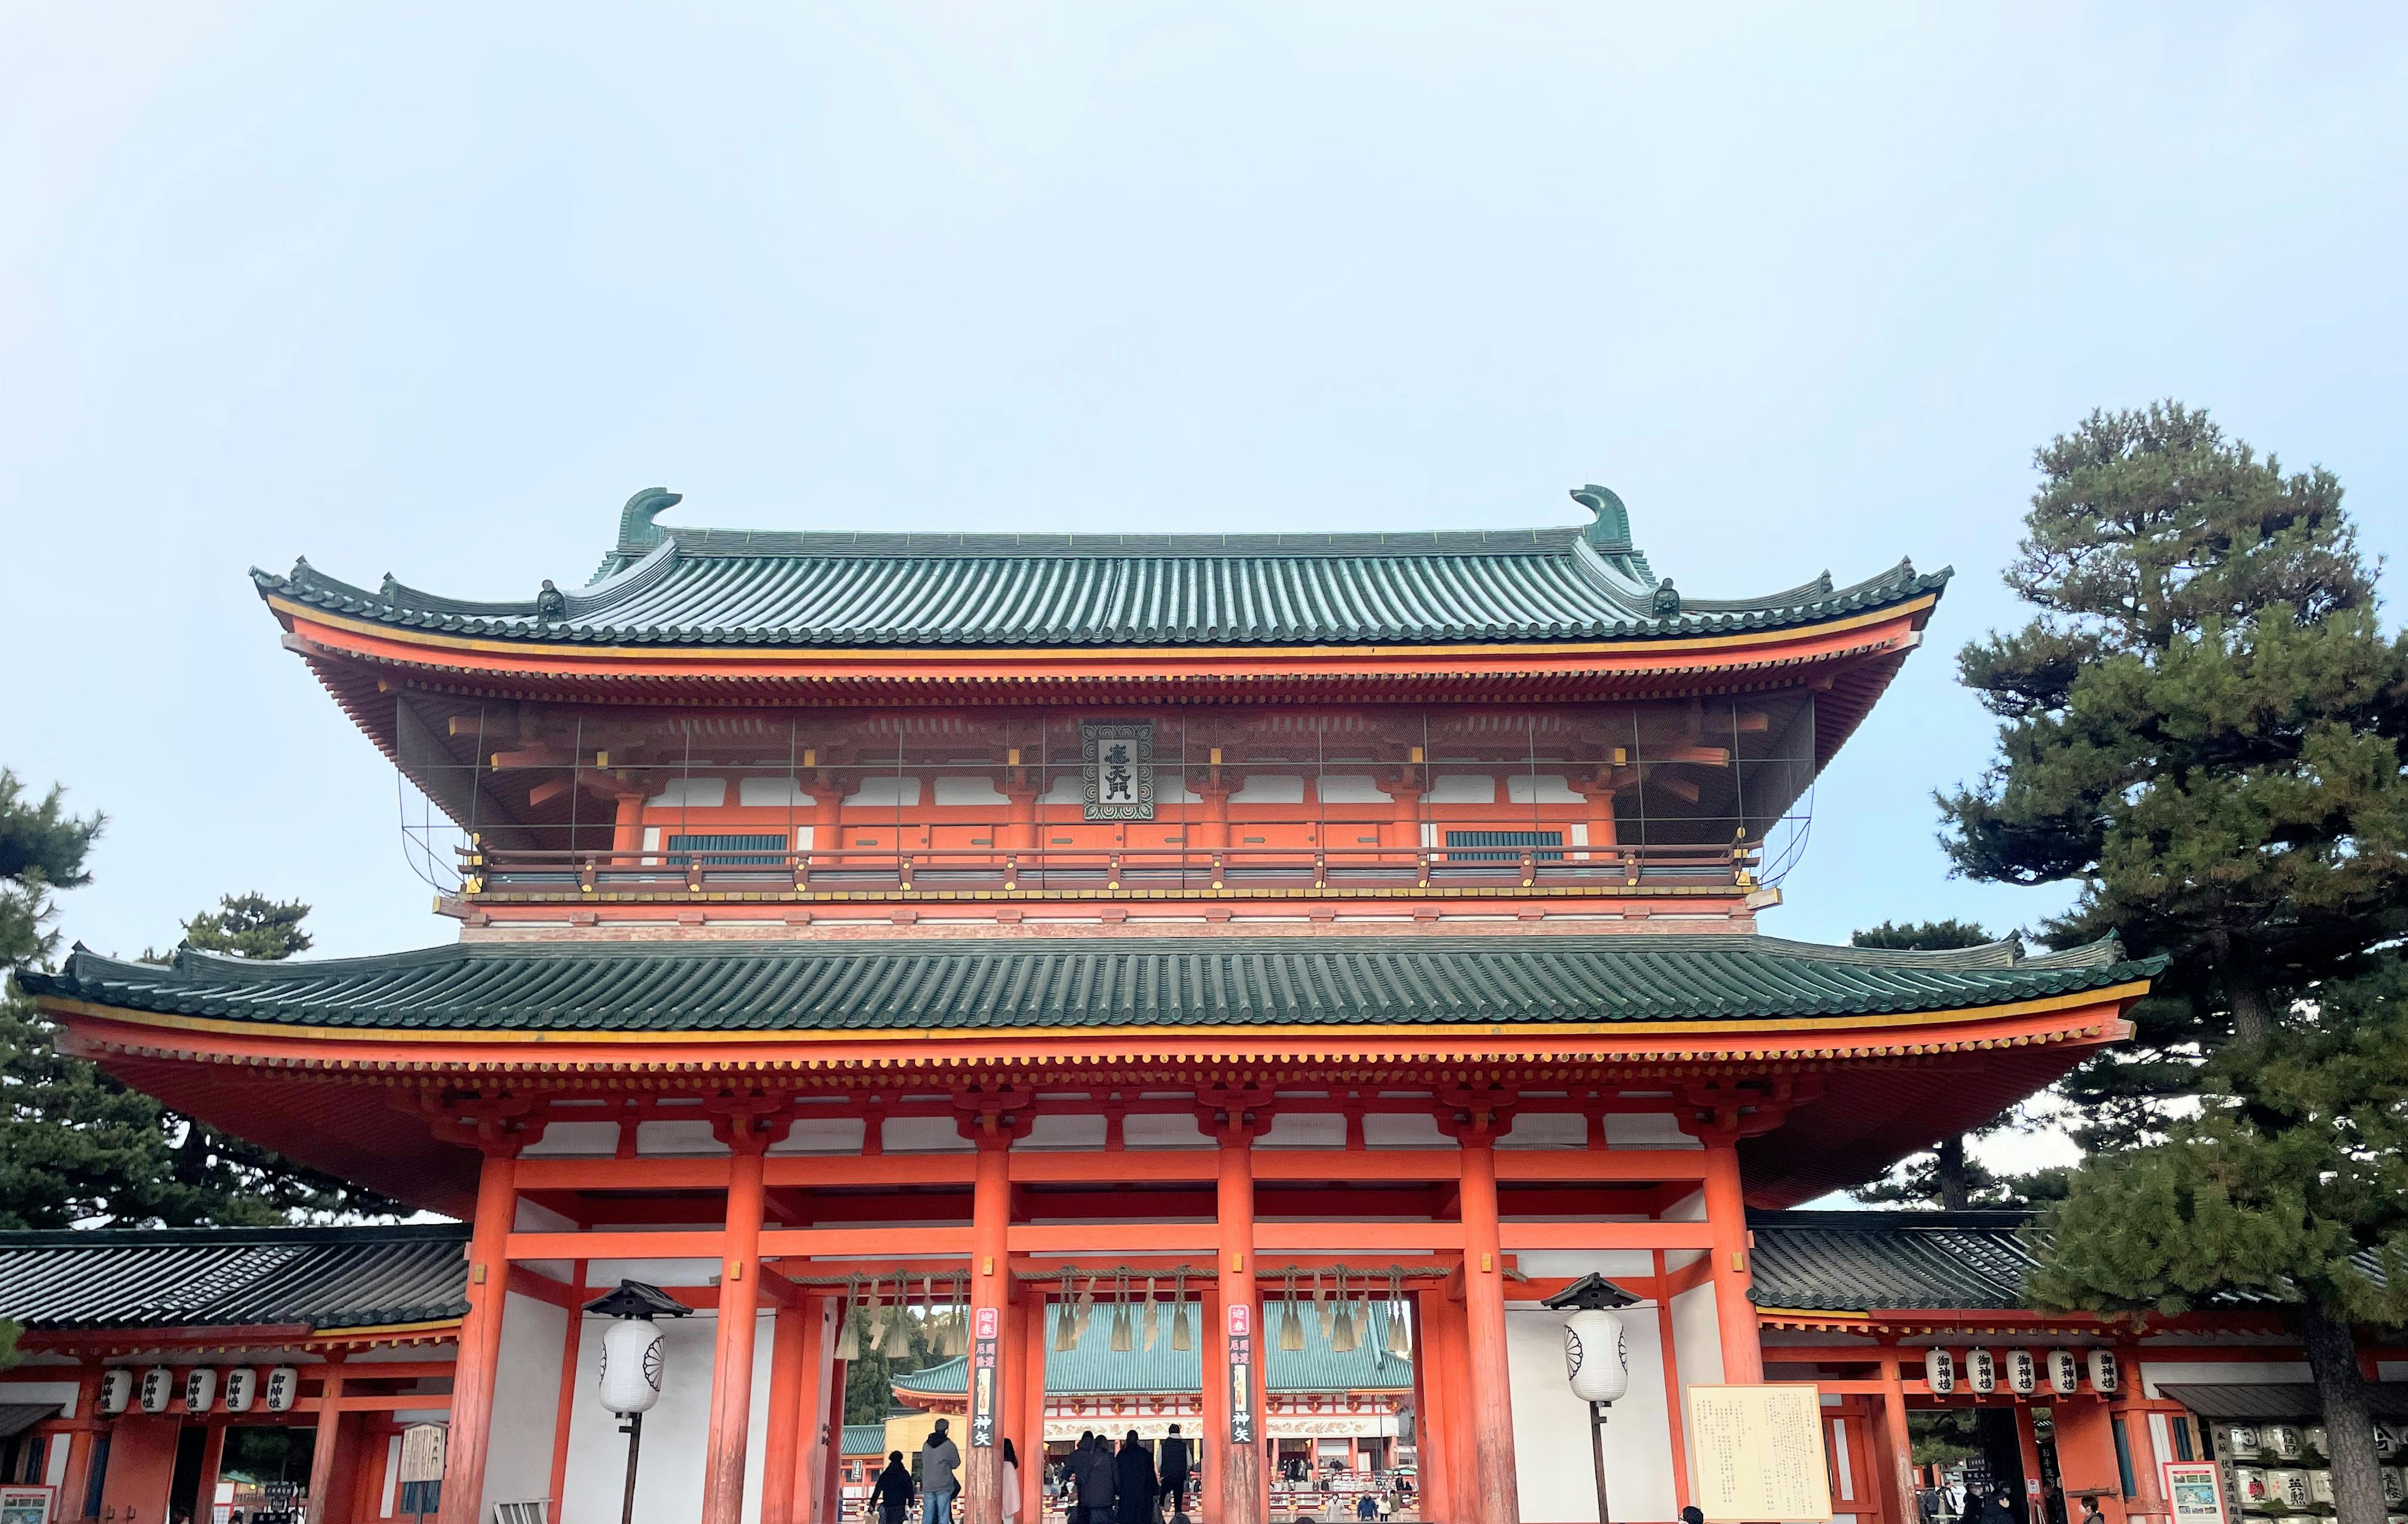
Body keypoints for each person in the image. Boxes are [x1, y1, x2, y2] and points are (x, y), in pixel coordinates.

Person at [922, 1419, 963, 1524]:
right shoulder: (949, 1445)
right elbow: (956, 1463)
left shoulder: (926, 1445)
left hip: (928, 1485)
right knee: (943, 1518)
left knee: (927, 1517)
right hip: (943, 1485)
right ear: (946, 1430)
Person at [1075, 1429, 1119, 1524]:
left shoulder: (1087, 1459)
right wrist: (1118, 1492)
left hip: (1090, 1500)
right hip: (1107, 1500)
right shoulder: (1111, 1459)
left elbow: (1081, 1479)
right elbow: (1116, 1480)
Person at [1116, 1431, 1158, 1524]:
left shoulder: (1121, 1455)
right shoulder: (1145, 1454)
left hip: (1126, 1493)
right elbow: (1150, 1474)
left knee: (1128, 1519)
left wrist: (1116, 1489)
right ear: (1137, 1440)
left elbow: (1117, 1475)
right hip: (1143, 1492)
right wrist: (1155, 1490)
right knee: (1142, 1518)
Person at [872, 1451, 917, 1524]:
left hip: (888, 1504)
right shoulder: (904, 1474)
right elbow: (909, 1489)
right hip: (900, 1504)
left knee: (888, 1521)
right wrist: (911, 1502)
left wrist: (873, 1502)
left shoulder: (886, 1474)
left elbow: (878, 1489)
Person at [1158, 1423, 1191, 1519]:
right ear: (1179, 1432)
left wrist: (1162, 1471)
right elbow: (1190, 1463)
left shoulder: (1163, 1445)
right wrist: (1184, 1470)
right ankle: (1178, 1517)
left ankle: (1161, 1513)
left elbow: (1159, 1461)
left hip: (1167, 1475)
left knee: (1162, 1496)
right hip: (1179, 1476)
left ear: (1169, 1432)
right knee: (1178, 1500)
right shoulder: (1183, 1445)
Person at [1001, 1438, 1023, 1524]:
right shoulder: (1010, 1465)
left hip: (1004, 1504)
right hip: (1008, 1502)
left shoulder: (1006, 1466)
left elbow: (1006, 1488)